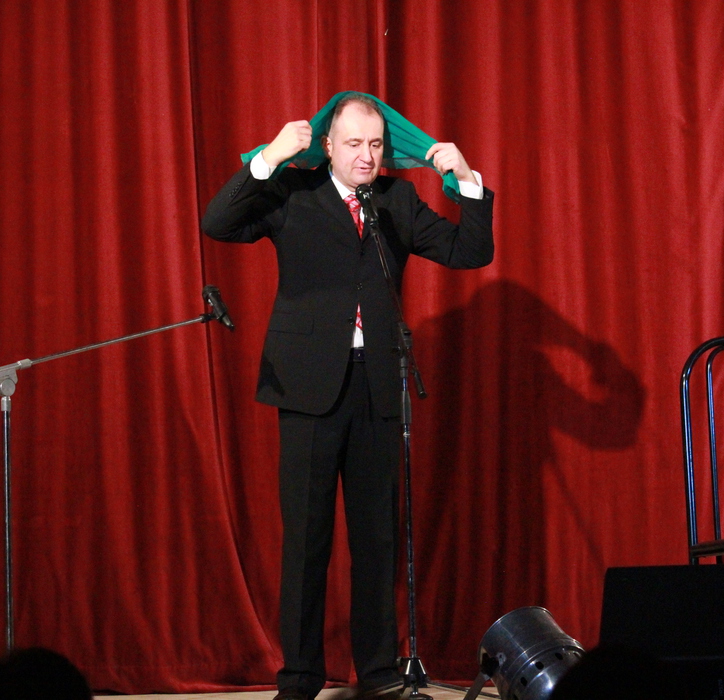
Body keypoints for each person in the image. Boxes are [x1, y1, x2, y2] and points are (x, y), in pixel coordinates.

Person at [201, 92, 494, 700]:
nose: (367, 156)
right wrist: (268, 159)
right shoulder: (293, 191)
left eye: (376, 145)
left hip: (377, 385)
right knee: (306, 542)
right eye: (354, 144)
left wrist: (465, 179)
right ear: (327, 146)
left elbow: (470, 252)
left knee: (376, 540)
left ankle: (379, 673)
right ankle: (300, 678)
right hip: (307, 384)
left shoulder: (396, 201)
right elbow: (218, 223)